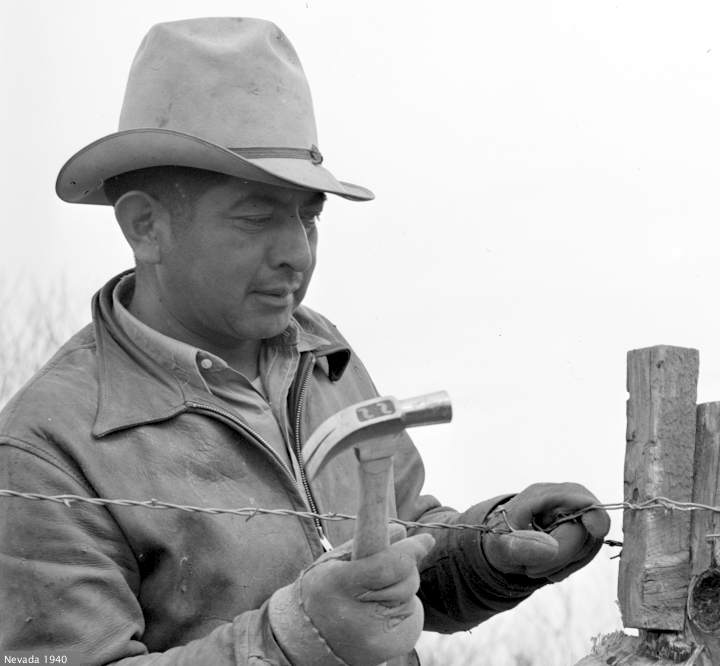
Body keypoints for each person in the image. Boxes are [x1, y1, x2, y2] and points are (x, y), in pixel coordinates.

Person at [0, 18, 610, 666]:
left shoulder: (322, 357)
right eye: (256, 217)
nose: (297, 252)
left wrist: (490, 549)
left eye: (309, 217)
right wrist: (297, 636)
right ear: (145, 226)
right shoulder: (46, 451)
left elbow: (400, 549)